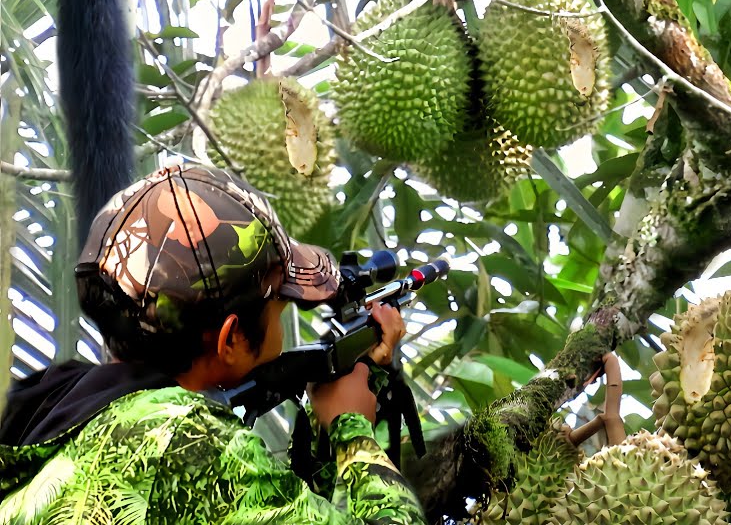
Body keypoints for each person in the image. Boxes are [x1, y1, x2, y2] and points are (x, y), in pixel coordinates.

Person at [0, 164, 426, 523]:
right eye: (281, 304)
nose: (284, 316)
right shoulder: (183, 439)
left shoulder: (48, 404)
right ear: (230, 337)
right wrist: (351, 427)